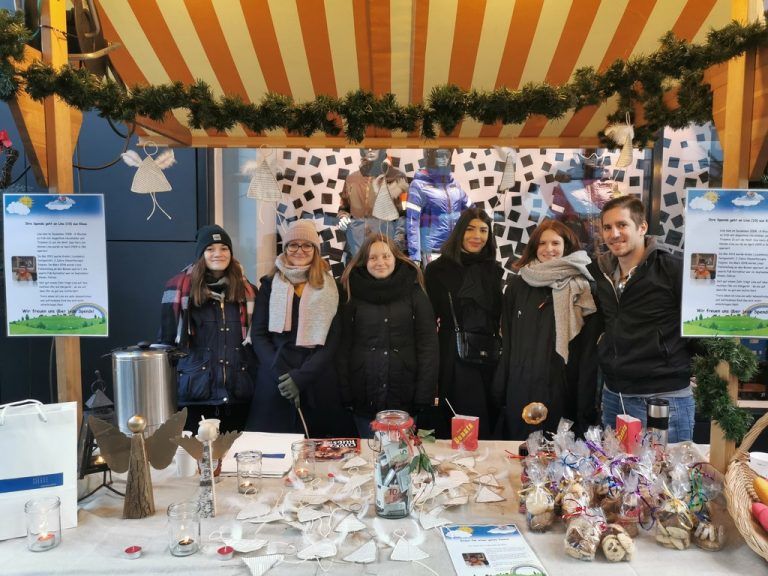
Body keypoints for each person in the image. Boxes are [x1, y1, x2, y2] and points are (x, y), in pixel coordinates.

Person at [589, 196, 695, 442]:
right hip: (614, 395)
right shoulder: (601, 273)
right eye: (607, 227)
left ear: (642, 227)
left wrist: (675, 361)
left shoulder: (672, 268)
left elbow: (700, 324)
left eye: (622, 225)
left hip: (664, 396)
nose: (614, 234)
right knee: (617, 476)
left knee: (669, 476)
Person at [493, 220, 601, 439]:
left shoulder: (581, 285)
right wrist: (502, 388)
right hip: (521, 382)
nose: (548, 249)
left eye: (555, 243)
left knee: (559, 456)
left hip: (562, 384)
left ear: (567, 246)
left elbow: (588, 349)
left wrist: (585, 403)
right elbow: (509, 340)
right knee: (519, 451)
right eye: (542, 243)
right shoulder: (517, 285)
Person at [246, 219, 353, 437]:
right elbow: (258, 334)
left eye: (307, 245)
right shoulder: (268, 284)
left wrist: (301, 378)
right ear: (285, 249)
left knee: (321, 454)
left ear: (315, 249)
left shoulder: (331, 287)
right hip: (275, 378)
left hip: (317, 379)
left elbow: (334, 338)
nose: (300, 250)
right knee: (272, 453)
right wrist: (283, 378)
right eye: (293, 244)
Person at [338, 234, 439, 437]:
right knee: (367, 459)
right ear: (364, 261)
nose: (380, 262)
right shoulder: (350, 290)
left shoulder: (414, 290)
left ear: (396, 258)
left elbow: (428, 345)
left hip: (405, 394)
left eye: (386, 256)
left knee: (403, 460)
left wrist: (424, 394)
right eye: (373, 257)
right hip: (363, 393)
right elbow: (343, 345)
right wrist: (345, 391)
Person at [159, 225, 257, 432]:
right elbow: (166, 344)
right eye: (210, 248)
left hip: (238, 395)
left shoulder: (248, 291)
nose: (218, 254)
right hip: (195, 396)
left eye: (224, 248)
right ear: (201, 254)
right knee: (196, 461)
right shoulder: (178, 289)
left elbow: (256, 344)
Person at [425, 208, 503, 439]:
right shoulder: (437, 270)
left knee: (487, 417)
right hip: (453, 353)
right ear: (459, 232)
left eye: (483, 230)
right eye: (470, 229)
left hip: (489, 355)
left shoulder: (493, 270)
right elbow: (430, 317)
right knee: (458, 416)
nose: (476, 236)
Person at [338, 149, 409, 260]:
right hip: (356, 247)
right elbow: (344, 208)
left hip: (384, 246)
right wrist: (343, 217)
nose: (370, 150)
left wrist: (397, 245)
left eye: (375, 146)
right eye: (366, 147)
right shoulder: (352, 179)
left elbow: (404, 214)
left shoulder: (397, 177)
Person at [406, 148, 470, 265]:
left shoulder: (454, 185)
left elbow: (472, 212)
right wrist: (415, 256)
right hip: (432, 250)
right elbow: (412, 222)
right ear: (429, 156)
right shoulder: (419, 185)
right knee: (434, 282)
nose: (444, 158)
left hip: (455, 249)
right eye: (440, 155)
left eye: (447, 154)